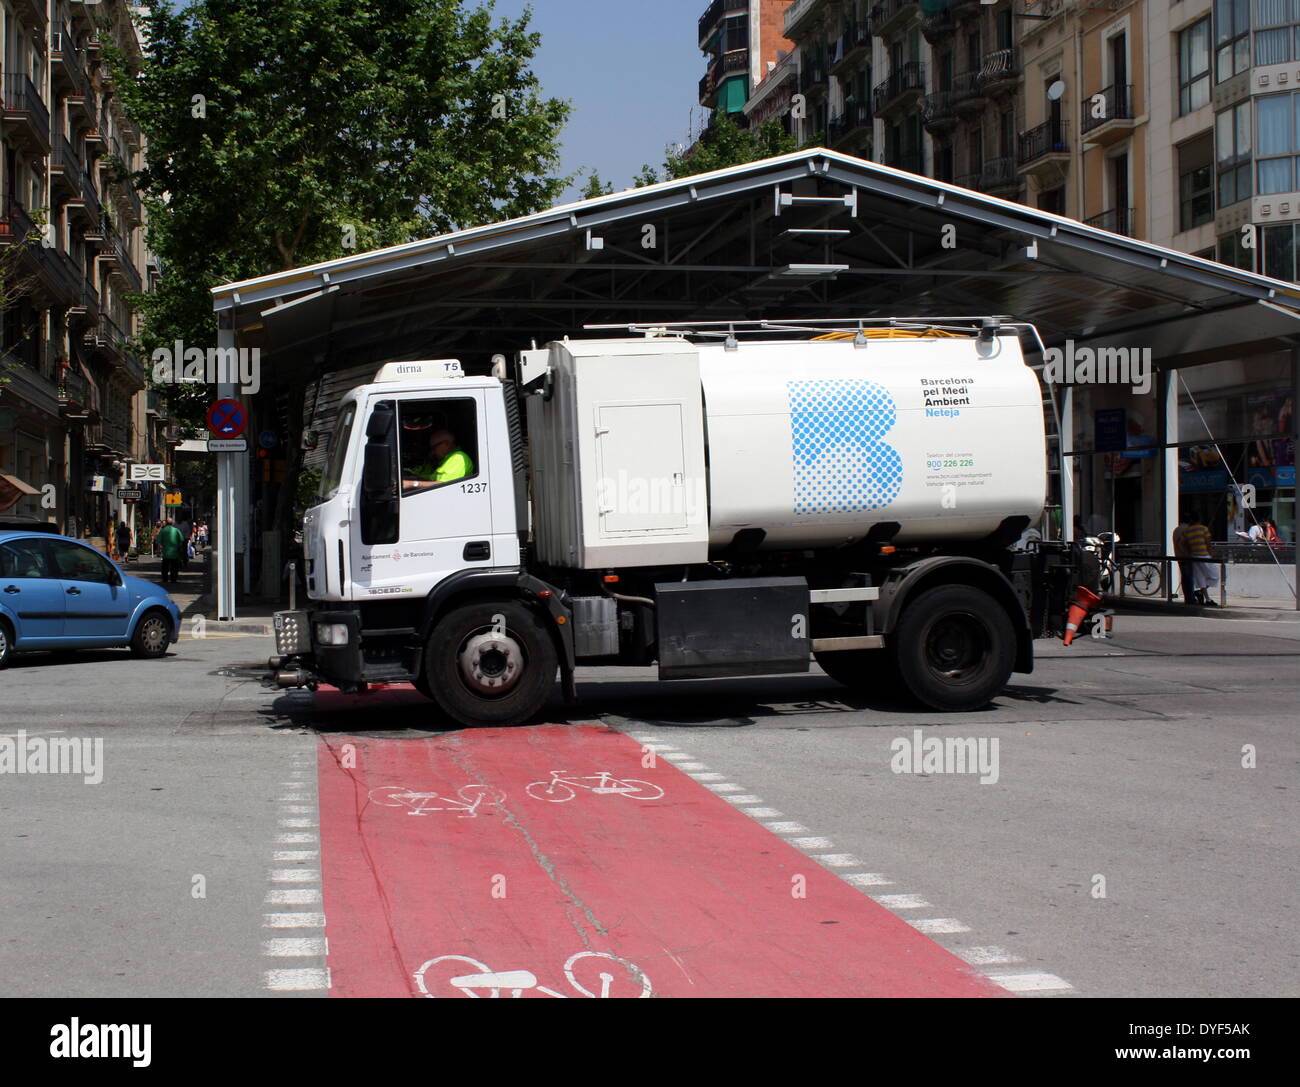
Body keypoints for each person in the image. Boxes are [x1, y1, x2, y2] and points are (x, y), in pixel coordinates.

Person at [403, 429, 473, 489]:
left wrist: (411, 483)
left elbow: (442, 485)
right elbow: (431, 478)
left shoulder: (458, 458)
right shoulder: (445, 460)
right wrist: (412, 475)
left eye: (434, 447)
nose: (433, 452)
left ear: (446, 444)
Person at [1181, 514, 1218, 606]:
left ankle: (1207, 598)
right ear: (1199, 519)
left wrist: (1189, 553)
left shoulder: (1187, 531)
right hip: (1204, 556)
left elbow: (1183, 544)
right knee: (1215, 576)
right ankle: (1201, 593)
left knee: (1201, 578)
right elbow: (1208, 543)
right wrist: (1211, 555)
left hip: (1194, 556)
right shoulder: (1203, 529)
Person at [1172, 516, 1195, 606]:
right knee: (1189, 578)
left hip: (1179, 556)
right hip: (1185, 557)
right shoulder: (1186, 530)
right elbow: (1181, 543)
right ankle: (1190, 598)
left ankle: (1188, 597)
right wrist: (1187, 553)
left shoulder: (1176, 529)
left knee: (1185, 577)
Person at [157, 517, 185, 584]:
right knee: (174, 567)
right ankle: (173, 579)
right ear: (172, 523)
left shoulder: (163, 530)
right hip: (175, 553)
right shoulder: (176, 530)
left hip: (166, 553)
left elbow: (159, 541)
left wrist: (159, 550)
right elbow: (181, 540)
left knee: (165, 567)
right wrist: (180, 548)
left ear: (166, 523)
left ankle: (165, 579)